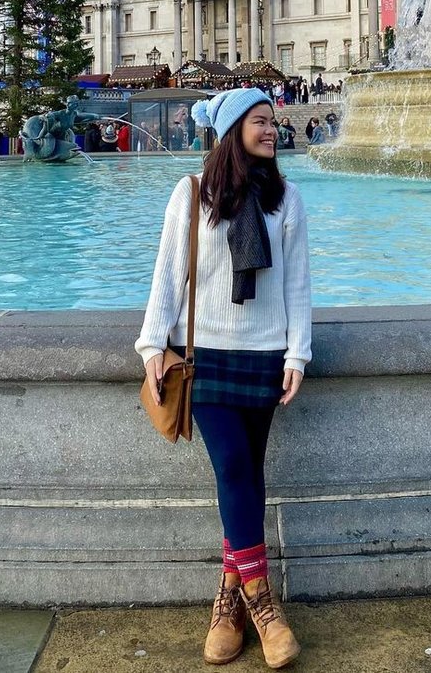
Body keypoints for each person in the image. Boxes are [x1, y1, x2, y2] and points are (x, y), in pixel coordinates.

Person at [136, 88, 311, 668]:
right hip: (205, 355)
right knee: (234, 467)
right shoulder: (190, 195)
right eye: (261, 122)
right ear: (234, 129)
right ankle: (264, 604)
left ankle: (228, 596)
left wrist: (297, 356)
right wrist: (151, 346)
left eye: (272, 122)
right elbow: (168, 275)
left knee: (248, 477)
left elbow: (296, 286)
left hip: (264, 353)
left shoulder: (286, 200)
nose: (271, 131)